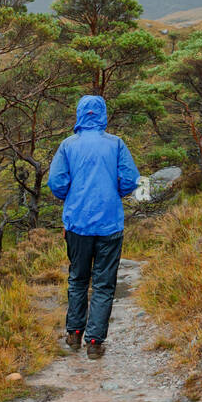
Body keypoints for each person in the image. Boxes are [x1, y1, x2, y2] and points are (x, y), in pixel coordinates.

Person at [47, 94, 140, 358]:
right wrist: (114, 192)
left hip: (77, 223)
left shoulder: (68, 145)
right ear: (102, 114)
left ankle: (74, 333)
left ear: (79, 114)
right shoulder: (116, 144)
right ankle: (95, 342)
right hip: (110, 223)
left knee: (78, 278)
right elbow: (131, 178)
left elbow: (56, 182)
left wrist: (71, 196)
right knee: (104, 283)